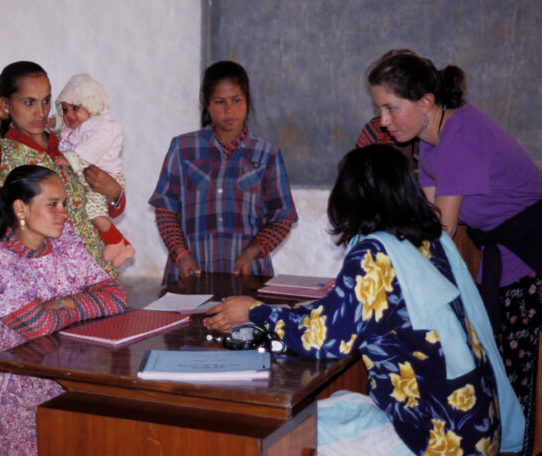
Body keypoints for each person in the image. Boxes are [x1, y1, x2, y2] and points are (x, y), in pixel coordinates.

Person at [205, 144, 524, 456]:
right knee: (339, 403)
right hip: (474, 427)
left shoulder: (377, 253)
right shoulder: (427, 239)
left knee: (285, 437)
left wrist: (255, 311)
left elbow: (326, 339)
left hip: (439, 439)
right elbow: (356, 312)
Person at [366, 49, 542, 444]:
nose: (383, 121)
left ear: (426, 101)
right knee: (501, 377)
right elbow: (428, 222)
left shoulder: (463, 130)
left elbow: (440, 229)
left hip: (531, 260)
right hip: (504, 262)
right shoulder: (429, 141)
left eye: (391, 109)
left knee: (519, 385)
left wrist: (377, 264)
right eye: (380, 110)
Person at [0, 165, 128, 456]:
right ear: (21, 209)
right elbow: (37, 324)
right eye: (52, 204)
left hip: (61, 378)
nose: (64, 212)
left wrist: (63, 303)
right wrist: (80, 304)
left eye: (64, 204)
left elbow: (116, 298)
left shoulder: (64, 244)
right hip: (6, 394)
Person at [0, 60, 126, 280]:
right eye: (29, 103)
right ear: (6, 104)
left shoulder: (70, 142)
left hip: (97, 270)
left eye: (46, 101)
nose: (41, 112)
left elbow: (103, 208)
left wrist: (114, 193)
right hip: (43, 281)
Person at [149, 60, 298, 285]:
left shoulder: (267, 155)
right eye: (220, 102)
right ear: (207, 105)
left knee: (245, 322)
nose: (229, 110)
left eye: (236, 100)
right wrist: (181, 254)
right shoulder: (183, 148)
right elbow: (165, 210)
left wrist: (252, 252)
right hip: (190, 276)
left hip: (249, 278)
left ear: (247, 101)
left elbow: (282, 218)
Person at [53, 73, 134, 266]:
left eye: (75, 108)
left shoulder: (103, 125)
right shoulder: (80, 124)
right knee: (94, 211)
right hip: (91, 177)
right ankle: (122, 245)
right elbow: (64, 134)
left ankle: (117, 242)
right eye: (64, 110)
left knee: (94, 210)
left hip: (104, 177)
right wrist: (54, 123)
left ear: (91, 104)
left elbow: (91, 148)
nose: (69, 115)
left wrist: (69, 159)